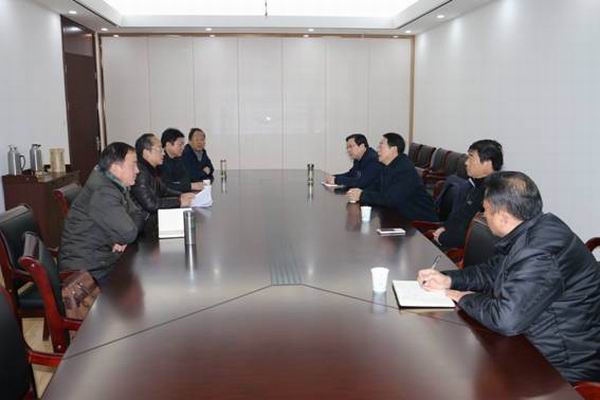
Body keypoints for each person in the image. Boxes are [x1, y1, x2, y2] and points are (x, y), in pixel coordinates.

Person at [417, 171, 600, 383]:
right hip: (533, 339)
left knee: (453, 372)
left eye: (486, 210)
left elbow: (506, 319)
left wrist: (462, 296)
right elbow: (492, 271)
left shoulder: (538, 251)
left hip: (562, 364)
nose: (484, 215)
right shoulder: (532, 230)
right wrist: (449, 280)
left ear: (503, 216)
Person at [59, 142, 145, 284]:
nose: (137, 170)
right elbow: (129, 233)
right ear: (116, 168)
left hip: (102, 259)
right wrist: (123, 236)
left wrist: (122, 237)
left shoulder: (114, 183)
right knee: (140, 283)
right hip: (87, 273)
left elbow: (138, 215)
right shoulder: (103, 191)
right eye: (133, 165)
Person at [347, 133, 438, 222]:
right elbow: (376, 186)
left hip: (418, 222)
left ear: (393, 149)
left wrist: (362, 195)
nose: (378, 150)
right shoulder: (387, 165)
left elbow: (391, 199)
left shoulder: (404, 169)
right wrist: (358, 192)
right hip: (398, 216)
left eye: (381, 146)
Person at [432, 139, 503, 248]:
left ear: (487, 163)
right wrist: (444, 228)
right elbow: (458, 216)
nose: (466, 162)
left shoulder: (492, 193)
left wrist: (442, 237)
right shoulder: (472, 185)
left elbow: (475, 236)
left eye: (471, 157)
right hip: (448, 238)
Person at [131, 133, 195, 219]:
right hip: (144, 221)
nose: (163, 153)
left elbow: (163, 190)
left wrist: (181, 195)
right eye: (160, 149)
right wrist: (179, 201)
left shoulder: (152, 169)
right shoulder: (140, 173)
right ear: (146, 153)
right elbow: (151, 204)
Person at [159, 128, 204, 192]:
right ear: (168, 144)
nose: (183, 148)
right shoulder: (160, 161)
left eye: (183, 144)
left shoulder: (178, 159)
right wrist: (190, 186)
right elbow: (165, 186)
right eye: (180, 145)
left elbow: (186, 179)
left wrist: (184, 186)